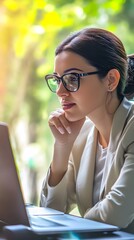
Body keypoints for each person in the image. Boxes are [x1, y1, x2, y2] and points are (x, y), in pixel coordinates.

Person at [40, 27, 134, 233]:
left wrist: (67, 229)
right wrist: (62, 147)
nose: (60, 91)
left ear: (111, 80)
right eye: (57, 79)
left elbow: (114, 215)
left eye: (73, 78)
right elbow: (51, 212)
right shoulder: (82, 133)